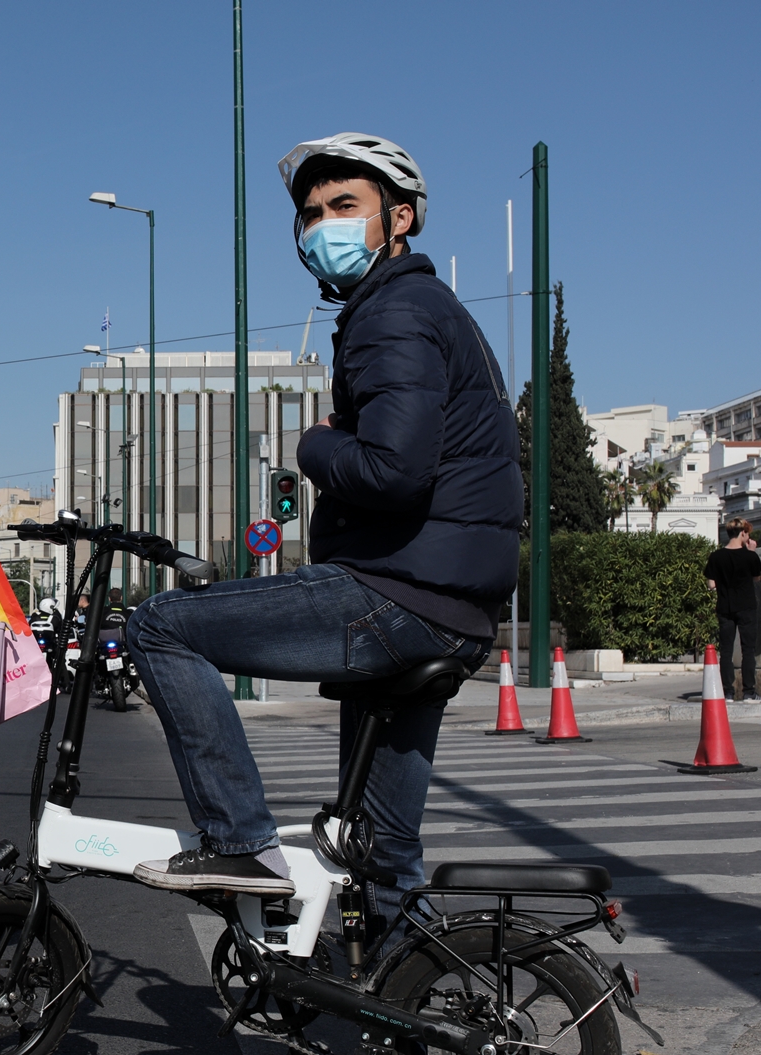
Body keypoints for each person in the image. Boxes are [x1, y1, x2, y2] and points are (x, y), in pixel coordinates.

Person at [122, 133, 521, 933]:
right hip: (454, 604)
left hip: (398, 590)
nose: (322, 225)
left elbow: (394, 469)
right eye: (311, 213)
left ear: (397, 219)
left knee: (159, 626)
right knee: (381, 850)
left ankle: (238, 840)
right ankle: (411, 1010)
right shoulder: (431, 308)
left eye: (346, 206)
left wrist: (314, 445)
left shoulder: (394, 312)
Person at [706, 517, 761, 700]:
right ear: (743, 533)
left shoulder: (716, 556)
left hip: (725, 607)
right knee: (748, 650)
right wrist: (751, 551)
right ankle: (748, 692)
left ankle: (727, 692)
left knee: (726, 651)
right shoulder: (750, 556)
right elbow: (756, 578)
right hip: (746, 606)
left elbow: (711, 584)